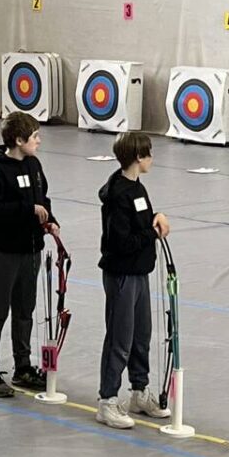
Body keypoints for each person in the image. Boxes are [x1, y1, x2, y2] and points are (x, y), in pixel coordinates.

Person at [96, 130, 173, 430]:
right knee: (120, 338)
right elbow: (122, 241)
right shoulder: (118, 193)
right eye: (149, 153)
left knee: (141, 336)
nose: (152, 158)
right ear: (138, 158)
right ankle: (107, 401)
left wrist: (157, 215)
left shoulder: (137, 187)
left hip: (140, 273)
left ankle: (139, 392)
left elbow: (141, 218)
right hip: (122, 275)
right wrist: (152, 233)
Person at [0, 111, 52, 402]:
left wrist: (49, 218)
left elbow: (42, 198)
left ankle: (23, 366)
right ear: (18, 140)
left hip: (30, 247)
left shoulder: (33, 164)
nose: (39, 142)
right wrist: (28, 211)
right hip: (5, 249)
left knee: (25, 309)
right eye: (34, 137)